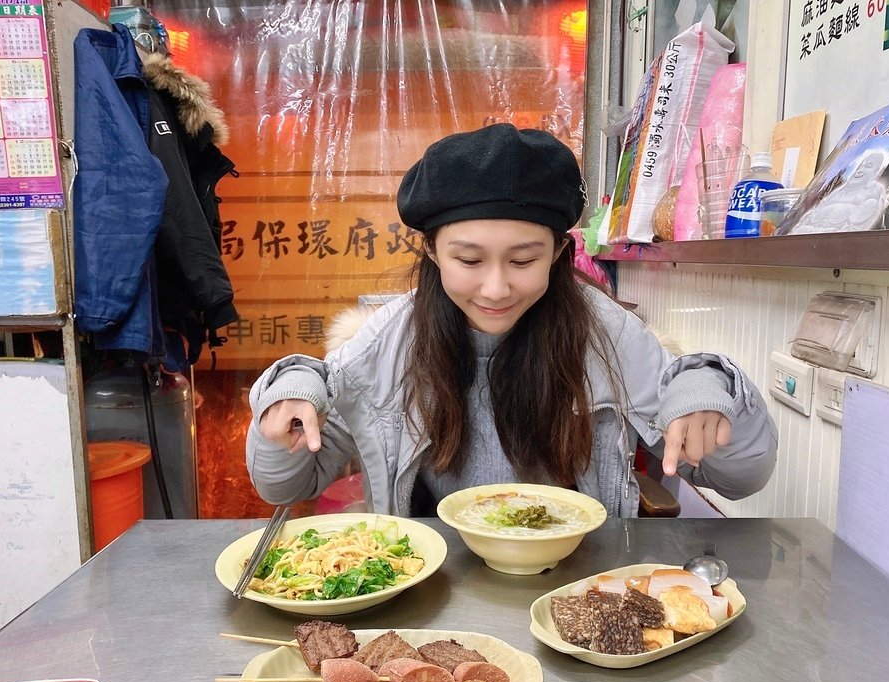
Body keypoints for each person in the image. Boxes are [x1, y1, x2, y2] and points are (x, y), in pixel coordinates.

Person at [247, 123, 777, 517]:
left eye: (523, 260)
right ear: (431, 251)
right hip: (435, 587)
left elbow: (738, 478)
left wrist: (711, 386)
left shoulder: (609, 336)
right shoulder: (387, 343)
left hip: (575, 590)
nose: (496, 288)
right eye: (469, 260)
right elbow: (288, 487)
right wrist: (285, 403)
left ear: (559, 252)